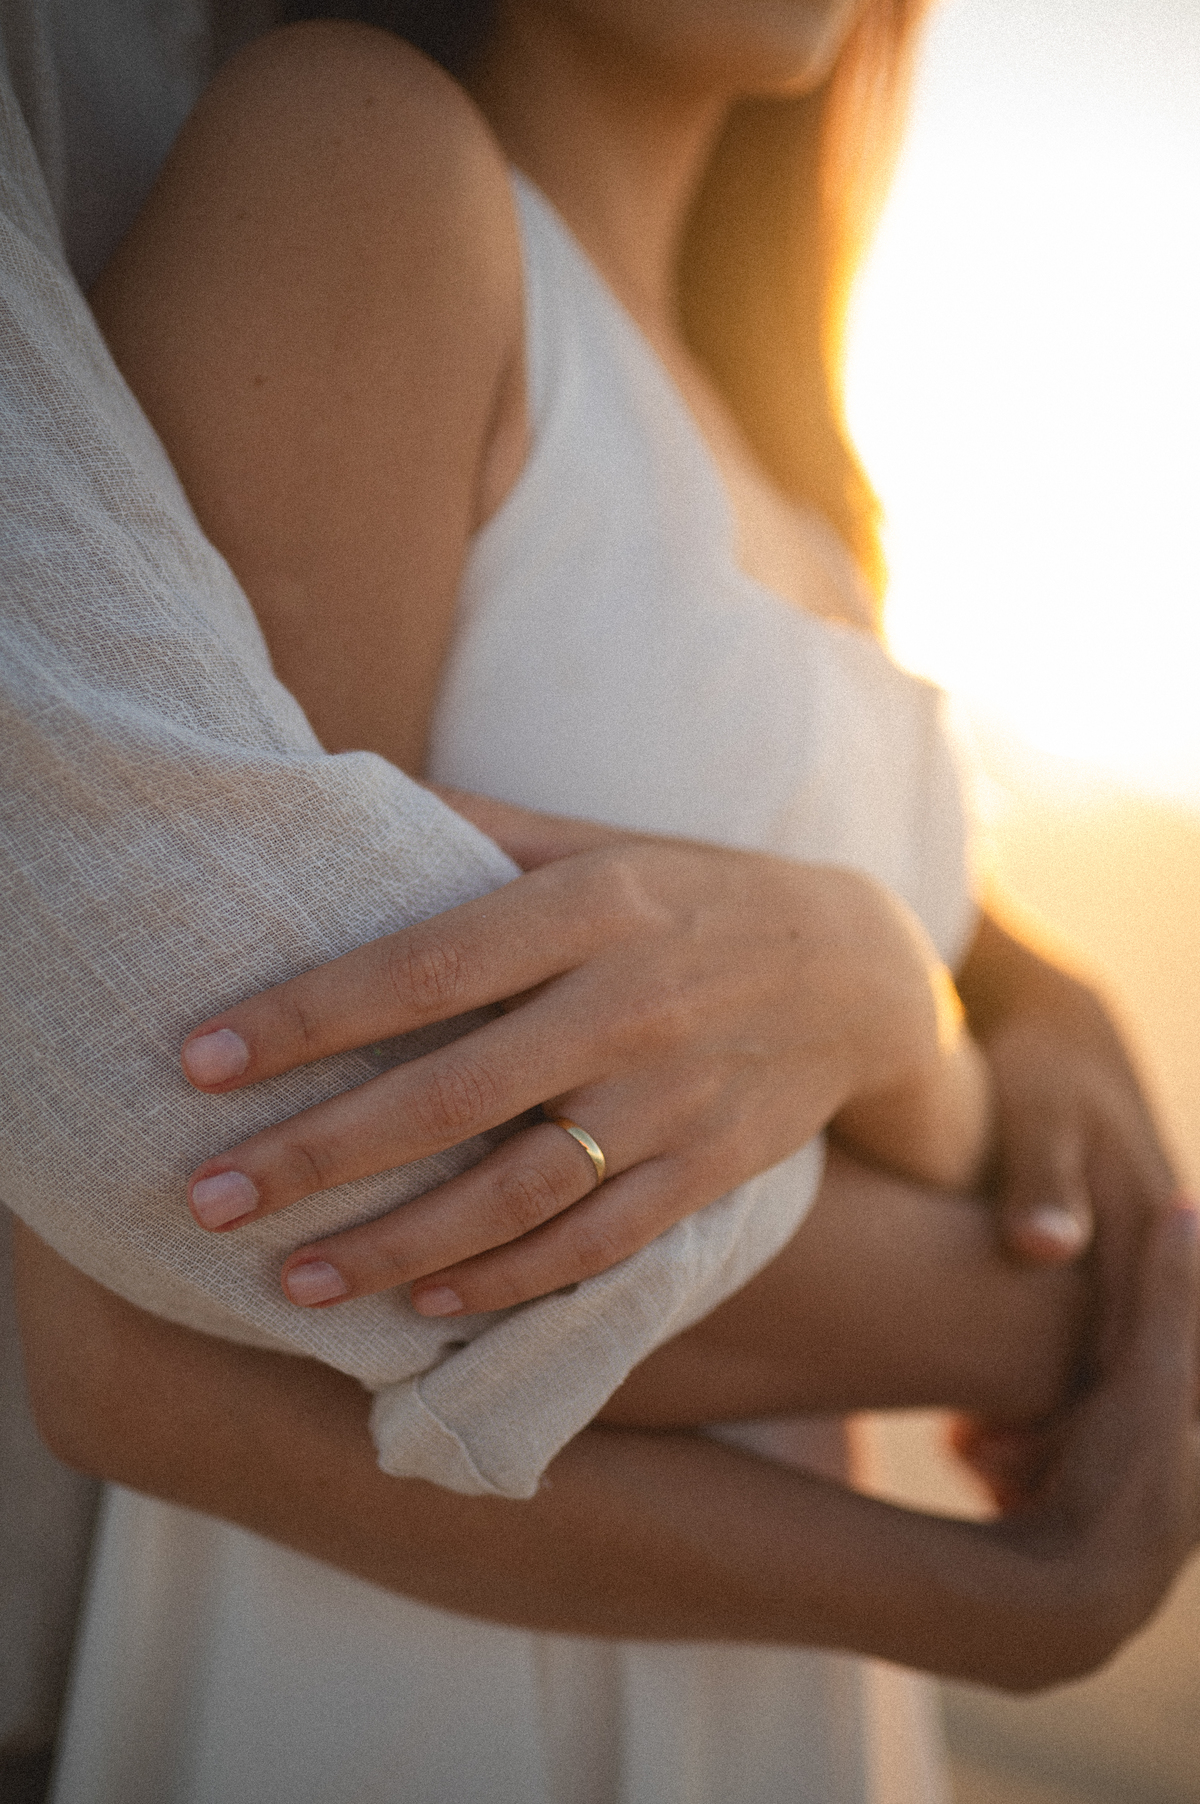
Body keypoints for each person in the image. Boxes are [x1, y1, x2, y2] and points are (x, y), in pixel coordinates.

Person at [5, 3, 1196, 1801]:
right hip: (381, 1712)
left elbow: (839, 1089)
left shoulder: (799, 472)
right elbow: (149, 1307)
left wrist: (919, 1011)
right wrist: (996, 1593)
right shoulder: (366, 166)